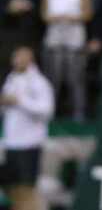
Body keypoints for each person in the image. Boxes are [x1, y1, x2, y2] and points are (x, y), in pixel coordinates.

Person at [0, 46, 55, 210]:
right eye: (15, 58)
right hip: (11, 144)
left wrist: (19, 101)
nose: (17, 61)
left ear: (30, 60)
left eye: (21, 58)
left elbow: (46, 110)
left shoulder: (40, 82)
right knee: (11, 188)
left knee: (26, 189)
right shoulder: (11, 79)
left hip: (30, 144)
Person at [40, 0, 93, 121]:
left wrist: (71, 17)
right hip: (54, 38)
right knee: (52, 78)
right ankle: (48, 114)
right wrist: (53, 18)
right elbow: (44, 14)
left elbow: (87, 14)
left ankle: (79, 114)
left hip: (74, 39)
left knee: (75, 78)